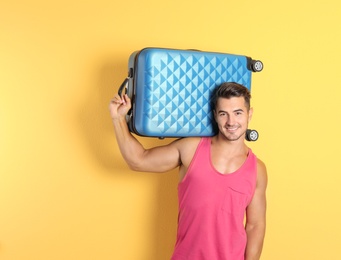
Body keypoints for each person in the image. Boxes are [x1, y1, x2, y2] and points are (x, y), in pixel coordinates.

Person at [109, 82, 267, 260]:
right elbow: (138, 160)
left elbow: (255, 225)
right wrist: (118, 119)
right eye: (224, 114)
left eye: (238, 113)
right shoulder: (191, 149)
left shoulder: (257, 169)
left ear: (249, 114)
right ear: (215, 115)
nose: (231, 122)